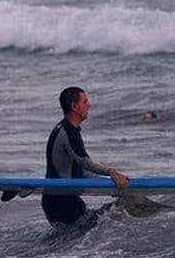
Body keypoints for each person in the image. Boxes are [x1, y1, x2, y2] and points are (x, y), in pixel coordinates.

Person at [42, 87, 129, 225]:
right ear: (74, 106)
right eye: (85, 102)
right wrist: (111, 172)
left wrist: (109, 185)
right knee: (111, 217)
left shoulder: (64, 128)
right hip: (61, 202)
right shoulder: (68, 131)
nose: (89, 105)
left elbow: (79, 170)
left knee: (92, 226)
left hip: (62, 199)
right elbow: (84, 162)